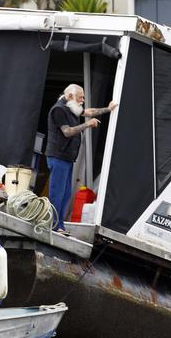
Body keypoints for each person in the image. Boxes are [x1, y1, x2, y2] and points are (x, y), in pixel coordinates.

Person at [45, 84, 117, 233]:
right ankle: (52, 225)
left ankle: (59, 225)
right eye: (81, 97)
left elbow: (89, 112)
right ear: (70, 96)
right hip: (58, 156)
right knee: (57, 192)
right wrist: (87, 125)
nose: (83, 100)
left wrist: (108, 109)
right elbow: (67, 132)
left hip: (67, 158)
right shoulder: (59, 109)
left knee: (65, 194)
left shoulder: (71, 107)